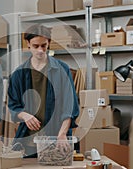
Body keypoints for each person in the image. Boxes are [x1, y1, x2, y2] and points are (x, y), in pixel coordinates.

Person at [7, 24, 79, 157]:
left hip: (57, 138)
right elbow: (13, 106)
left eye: (44, 45)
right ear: (28, 44)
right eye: (35, 46)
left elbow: (70, 106)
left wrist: (62, 134)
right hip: (29, 141)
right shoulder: (18, 74)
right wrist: (25, 116)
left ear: (49, 43)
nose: (40, 50)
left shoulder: (62, 69)